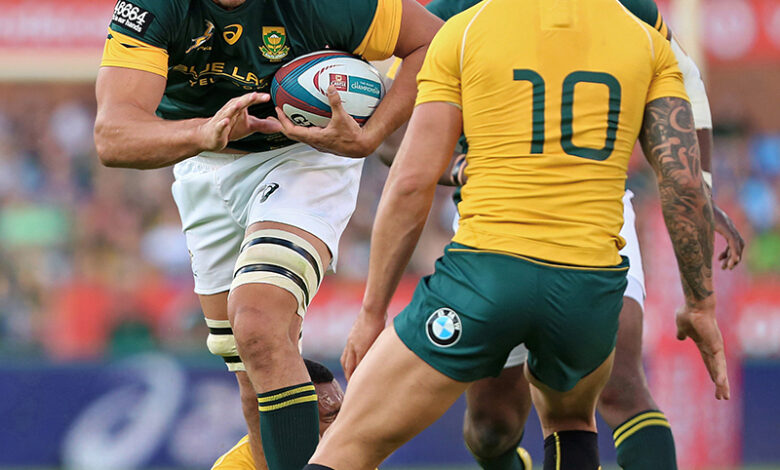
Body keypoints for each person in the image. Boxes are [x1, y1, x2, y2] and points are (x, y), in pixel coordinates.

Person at [302, 0, 730, 468]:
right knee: (544, 422)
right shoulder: (645, 37)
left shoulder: (461, 30)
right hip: (588, 280)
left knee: (351, 440)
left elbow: (409, 182)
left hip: (487, 271)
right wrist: (701, 305)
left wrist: (372, 311)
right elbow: (684, 182)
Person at [93, 1, 442, 469]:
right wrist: (204, 132)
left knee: (257, 322)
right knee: (251, 373)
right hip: (204, 159)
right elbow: (112, 136)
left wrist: (373, 132)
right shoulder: (154, 7)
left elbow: (434, 42)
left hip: (305, 153)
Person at [211, 359, 344, 470]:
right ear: (293, 423)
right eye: (330, 417)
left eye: (343, 413)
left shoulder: (346, 450)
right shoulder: (235, 466)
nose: (342, 425)